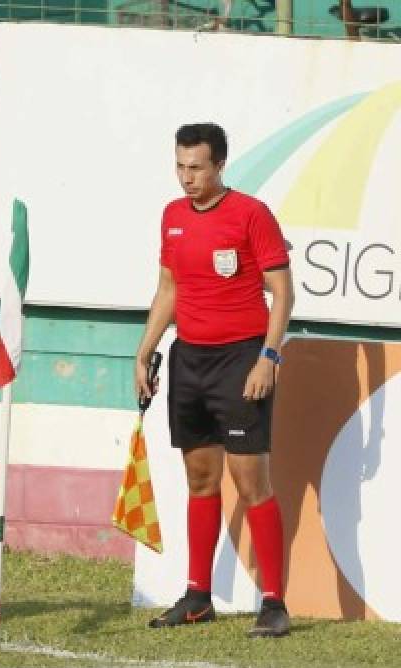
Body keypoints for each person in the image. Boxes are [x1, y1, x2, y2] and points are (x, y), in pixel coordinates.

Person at [134, 123, 295, 637]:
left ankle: (274, 603)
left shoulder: (251, 214)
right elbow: (168, 289)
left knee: (252, 483)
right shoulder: (172, 217)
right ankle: (198, 595)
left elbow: (282, 292)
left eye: (197, 167)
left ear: (220, 165)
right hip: (189, 363)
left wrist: (268, 357)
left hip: (240, 360)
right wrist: (145, 352)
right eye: (180, 166)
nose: (187, 178)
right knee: (200, 480)